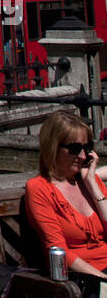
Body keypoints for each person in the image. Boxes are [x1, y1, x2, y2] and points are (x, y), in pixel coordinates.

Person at [25, 110, 107, 279]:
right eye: (75, 149)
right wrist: (103, 280)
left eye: (87, 147)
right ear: (53, 147)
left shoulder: (90, 181)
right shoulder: (39, 189)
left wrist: (92, 183)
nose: (83, 156)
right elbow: (58, 251)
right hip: (84, 278)